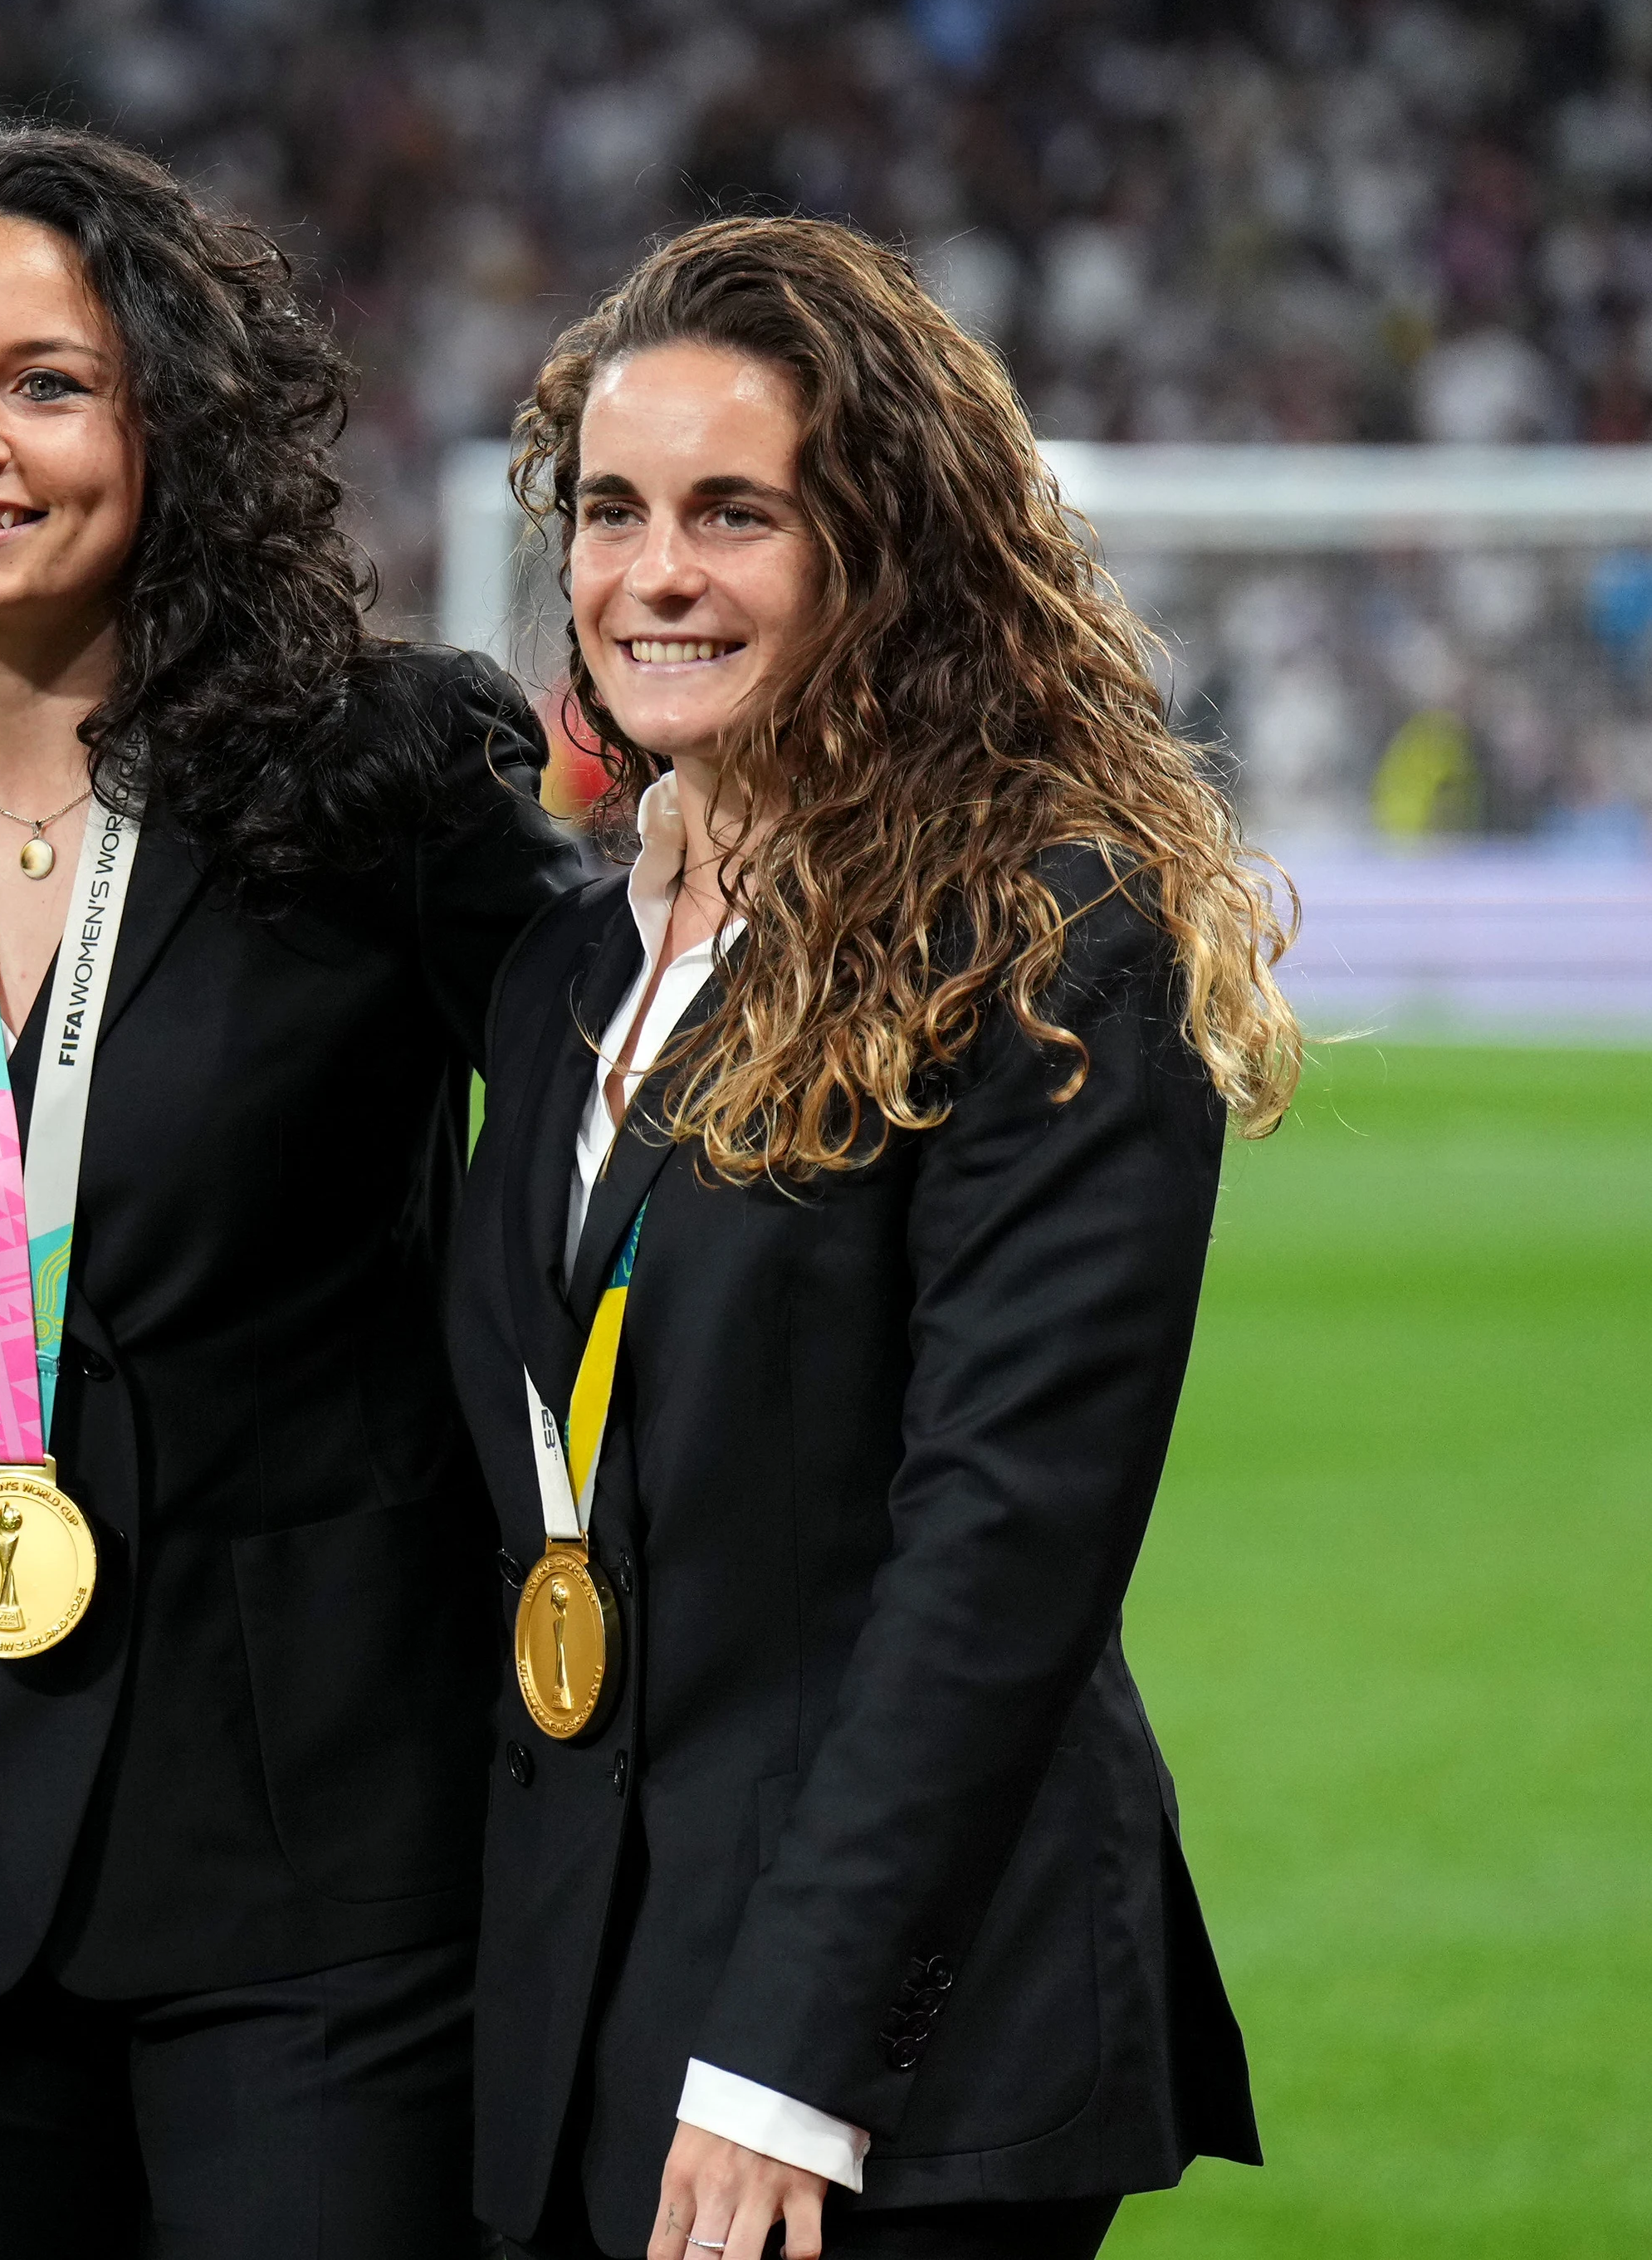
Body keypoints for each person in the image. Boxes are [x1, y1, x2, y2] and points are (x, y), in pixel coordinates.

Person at [0, 125, 587, 2258]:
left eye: (45, 380)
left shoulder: (378, 771)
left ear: (167, 423)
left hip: (312, 1860)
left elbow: (643, 1123)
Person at [451, 215, 1293, 2260]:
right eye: (612, 511)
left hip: (884, 2055)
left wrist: (782, 2062)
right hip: (597, 1983)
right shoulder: (575, 958)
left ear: (877, 549)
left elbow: (999, 1546)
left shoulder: (1043, 938)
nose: (654, 572)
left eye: (734, 513)